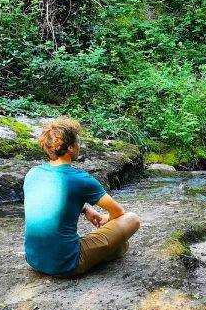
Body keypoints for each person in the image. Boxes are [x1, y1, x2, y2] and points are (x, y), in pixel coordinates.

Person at [23, 118, 140, 277]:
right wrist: (107, 219)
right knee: (132, 220)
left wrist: (85, 209)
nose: (80, 145)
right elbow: (118, 212)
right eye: (78, 142)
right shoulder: (80, 179)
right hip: (66, 265)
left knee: (118, 245)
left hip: (34, 259)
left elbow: (48, 202)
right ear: (70, 147)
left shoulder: (32, 173)